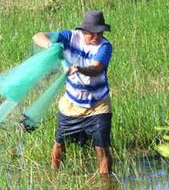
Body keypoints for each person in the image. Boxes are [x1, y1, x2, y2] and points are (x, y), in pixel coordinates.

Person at [32, 10, 112, 174]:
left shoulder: (105, 46)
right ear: (83, 31)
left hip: (98, 105)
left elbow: (96, 69)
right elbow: (38, 36)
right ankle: (54, 177)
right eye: (92, 34)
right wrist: (51, 46)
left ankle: (106, 187)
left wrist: (80, 69)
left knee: (102, 148)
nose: (96, 37)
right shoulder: (70, 37)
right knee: (59, 144)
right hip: (71, 105)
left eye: (100, 33)